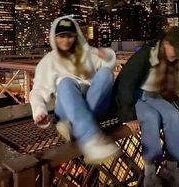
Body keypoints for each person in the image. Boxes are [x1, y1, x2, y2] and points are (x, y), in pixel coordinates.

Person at [30, 16, 120, 164]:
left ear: (76, 36)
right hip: (66, 108)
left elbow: (108, 62)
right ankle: (90, 138)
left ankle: (77, 127)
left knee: (105, 73)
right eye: (61, 36)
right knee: (65, 81)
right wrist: (40, 111)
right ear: (54, 37)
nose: (65, 41)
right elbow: (38, 90)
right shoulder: (49, 61)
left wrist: (107, 56)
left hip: (92, 104)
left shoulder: (87, 54)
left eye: (69, 36)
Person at [112, 27, 179, 187]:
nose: (177, 55)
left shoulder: (172, 60)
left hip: (153, 95)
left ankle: (172, 169)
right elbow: (125, 83)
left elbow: (170, 87)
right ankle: (150, 175)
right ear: (166, 43)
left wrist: (177, 103)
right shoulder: (145, 54)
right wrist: (129, 117)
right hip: (134, 94)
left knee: (173, 116)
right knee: (150, 118)